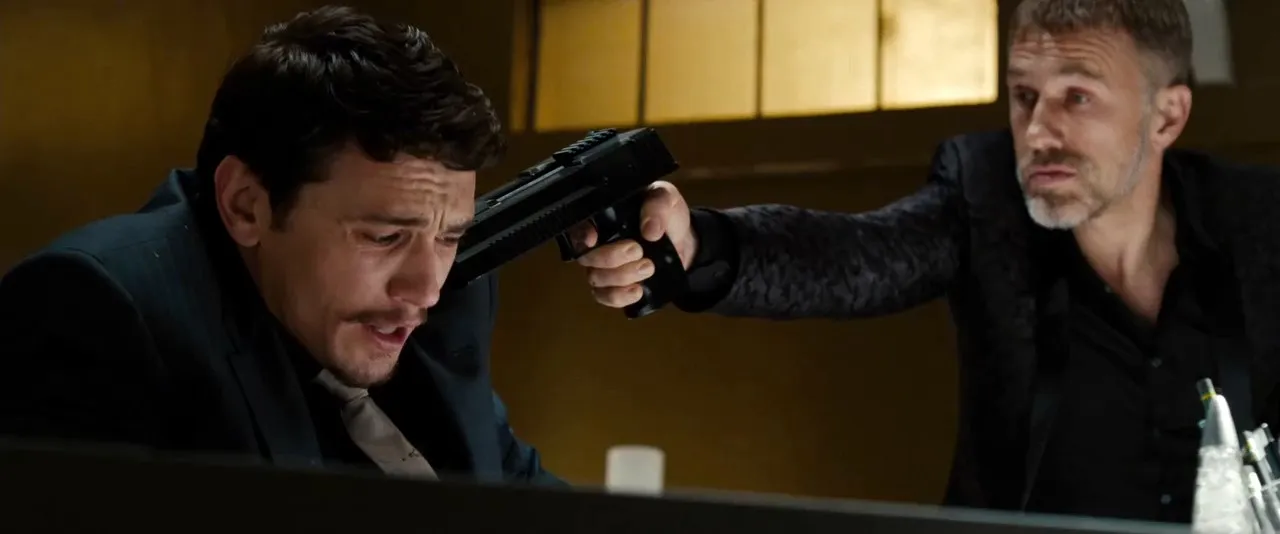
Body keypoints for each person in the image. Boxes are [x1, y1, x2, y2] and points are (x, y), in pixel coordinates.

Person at [576, 0, 1280, 524]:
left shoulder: (1258, 222)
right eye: (1024, 96)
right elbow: (854, 257)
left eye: (1078, 96)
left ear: (1166, 116)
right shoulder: (985, 197)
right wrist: (698, 245)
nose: (1039, 131)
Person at [0, 6, 561, 486]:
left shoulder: (449, 297)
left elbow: (523, 499)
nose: (426, 289)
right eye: (384, 236)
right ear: (246, 205)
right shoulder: (97, 312)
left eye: (449, 235)